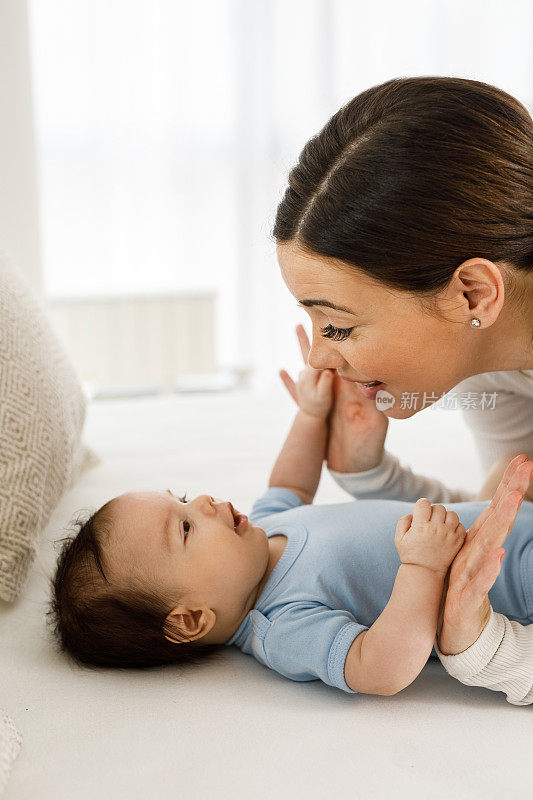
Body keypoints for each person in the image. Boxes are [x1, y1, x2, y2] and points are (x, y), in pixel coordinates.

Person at [48, 346, 533, 703]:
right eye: (186, 528)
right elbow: (380, 669)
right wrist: (423, 569)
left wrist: (309, 415)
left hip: (493, 517)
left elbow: (290, 482)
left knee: (516, 462)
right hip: (506, 580)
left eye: (184, 499)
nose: (206, 502)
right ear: (191, 620)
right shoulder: (281, 626)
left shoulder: (264, 530)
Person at [271, 75, 533, 702]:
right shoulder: (496, 358)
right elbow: (503, 521)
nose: (323, 359)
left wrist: (488, 650)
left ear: (472, 293)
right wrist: (372, 476)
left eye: (338, 323)